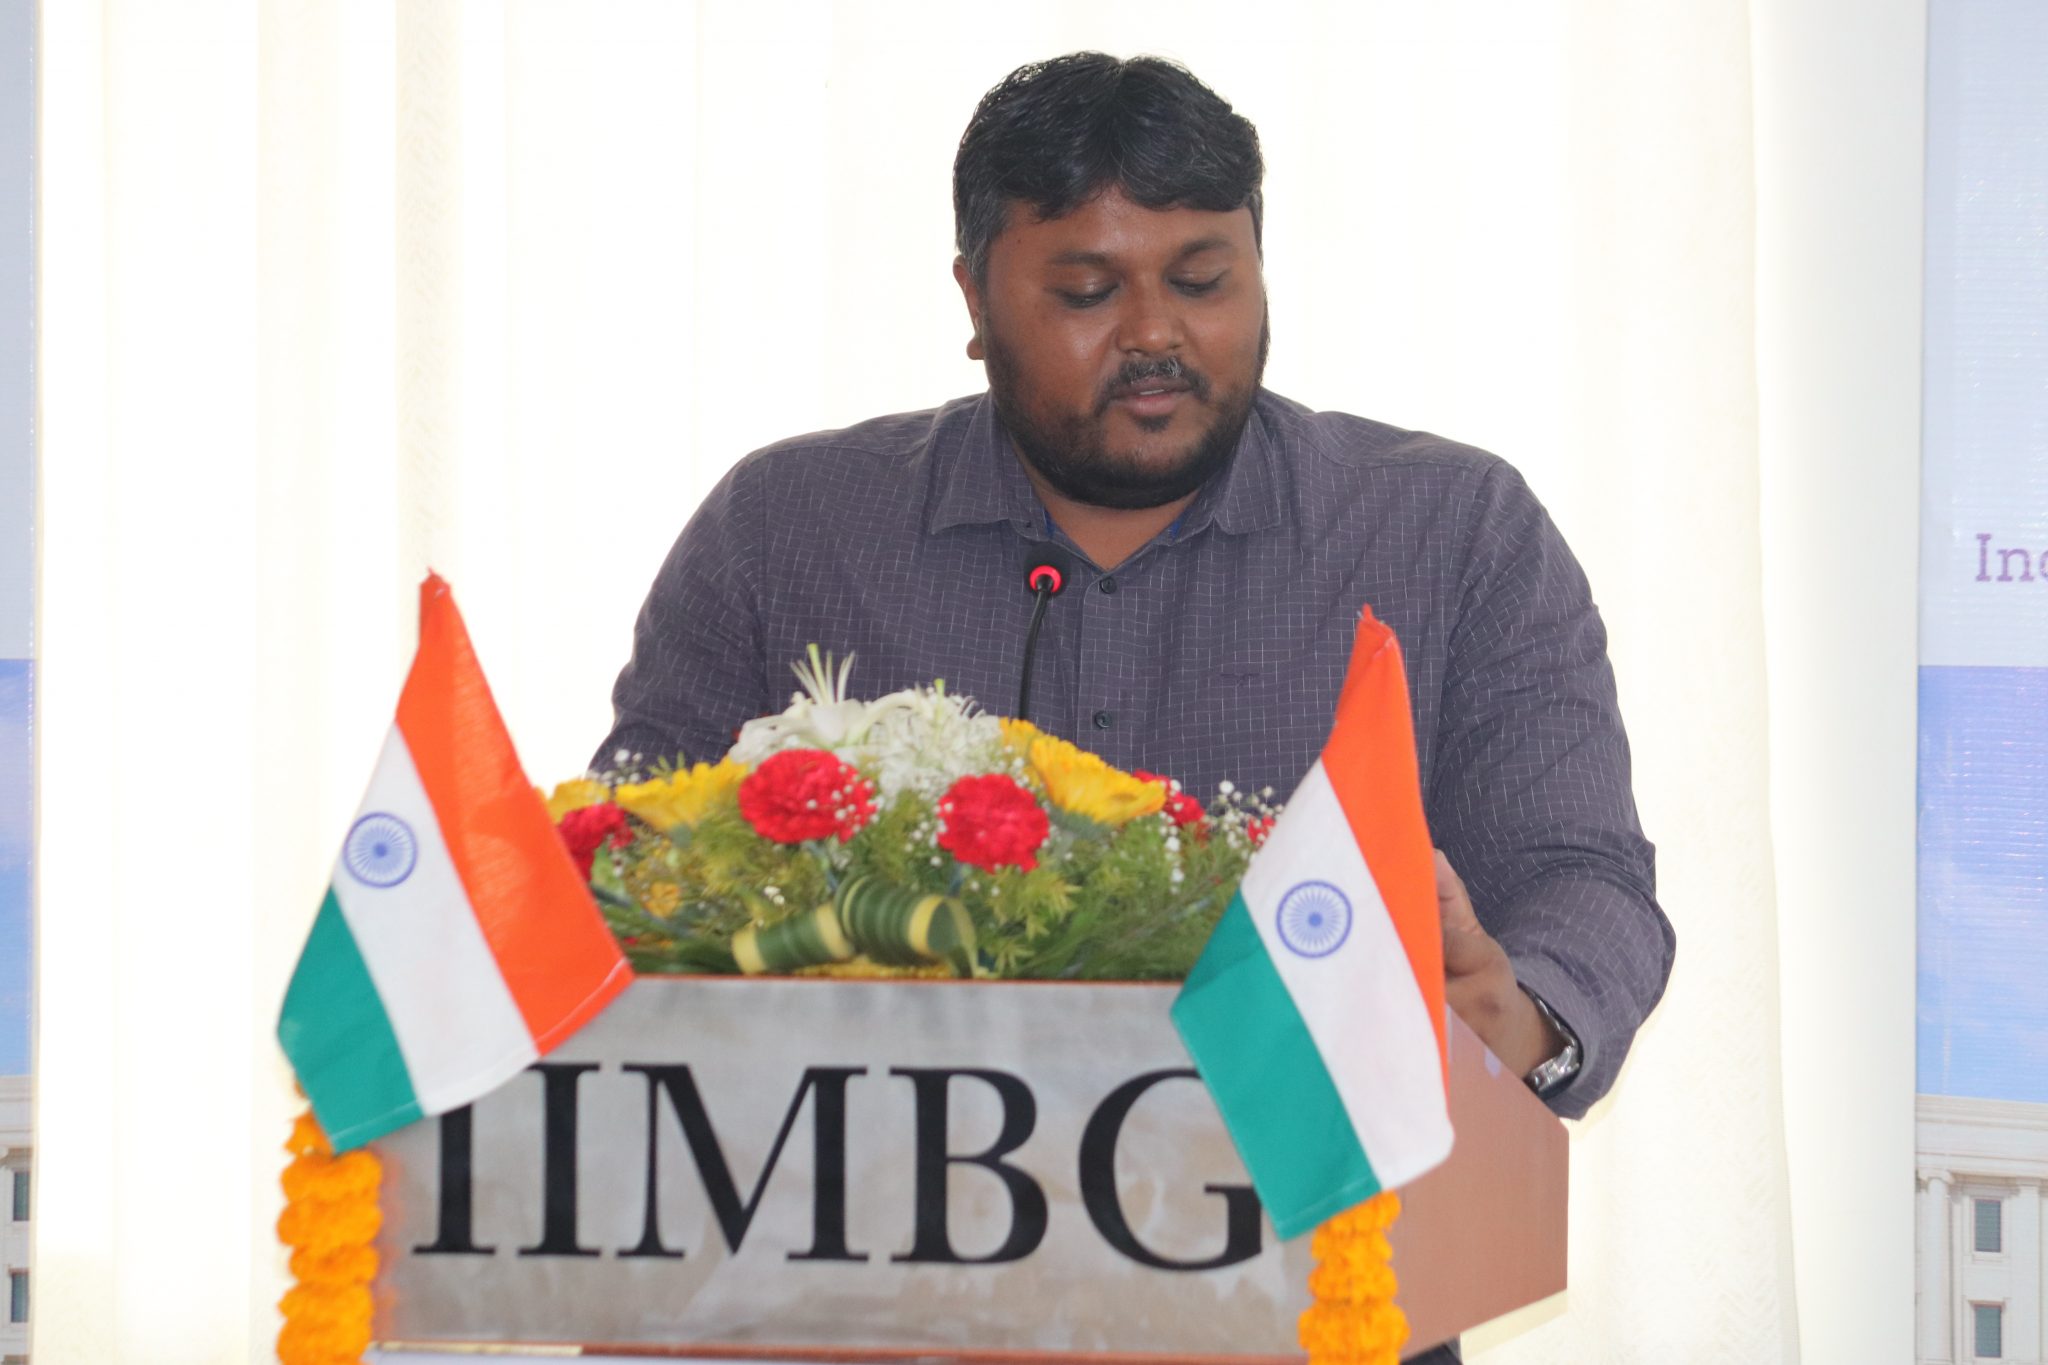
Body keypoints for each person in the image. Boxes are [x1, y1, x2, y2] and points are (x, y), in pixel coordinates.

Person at [599, 55, 1672, 1351]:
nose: (1157, 334)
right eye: (1088, 292)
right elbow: (622, 867)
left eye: (1205, 280)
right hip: (866, 1303)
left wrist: (1517, 1016)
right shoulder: (790, 530)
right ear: (974, 297)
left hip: (1312, 1306)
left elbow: (1582, 878)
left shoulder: (1450, 531)